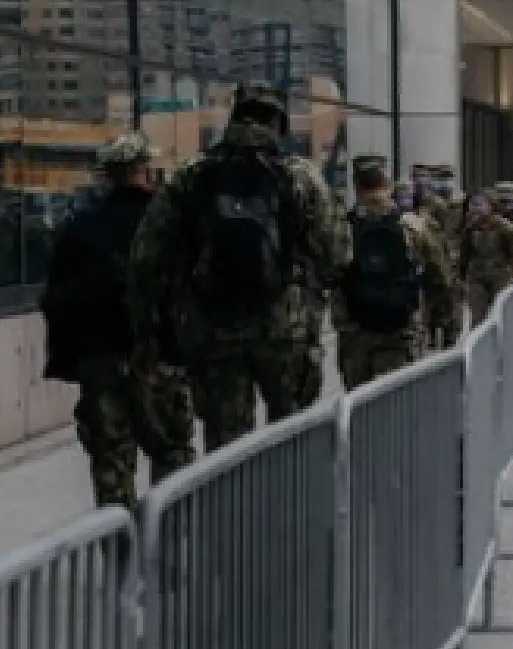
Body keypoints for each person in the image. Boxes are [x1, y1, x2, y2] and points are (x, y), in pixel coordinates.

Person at [128, 82, 350, 452]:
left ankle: (234, 510)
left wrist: (150, 329)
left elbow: (145, 259)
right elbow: (337, 256)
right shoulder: (300, 176)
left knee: (227, 448)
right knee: (292, 435)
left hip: (212, 326)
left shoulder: (192, 174)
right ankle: (286, 506)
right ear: (278, 123)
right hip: (284, 328)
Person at [41, 132, 195, 509]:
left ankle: (120, 551)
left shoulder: (82, 227)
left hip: (101, 362)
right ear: (145, 170)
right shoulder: (170, 223)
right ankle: (166, 544)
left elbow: (56, 299)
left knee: (111, 458)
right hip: (160, 362)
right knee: (171, 453)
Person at [335, 155, 455, 390]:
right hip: (401, 333)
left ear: (356, 186)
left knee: (358, 409)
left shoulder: (343, 227)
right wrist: (438, 318)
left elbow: (329, 273)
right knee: (395, 408)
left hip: (355, 334)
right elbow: (440, 277)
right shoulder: (413, 226)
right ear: (387, 184)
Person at [459, 188, 513, 326]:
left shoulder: (505, 228)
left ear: (490, 206)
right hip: (477, 278)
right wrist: (462, 279)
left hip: (500, 277)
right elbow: (464, 256)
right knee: (478, 318)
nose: (475, 209)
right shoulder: (470, 229)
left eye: (479, 204)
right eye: (472, 205)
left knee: (500, 314)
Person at [421, 164, 465, 347]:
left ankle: (451, 335)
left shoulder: (461, 203)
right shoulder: (429, 203)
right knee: (433, 296)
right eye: (441, 178)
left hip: (454, 256)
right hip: (434, 255)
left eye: (447, 178)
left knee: (453, 299)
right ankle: (431, 332)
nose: (444, 182)